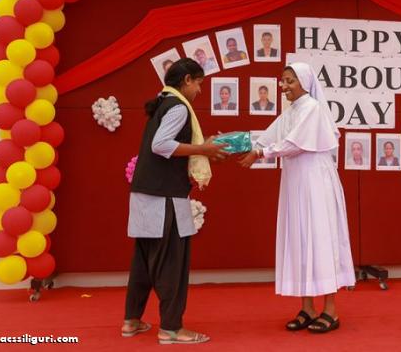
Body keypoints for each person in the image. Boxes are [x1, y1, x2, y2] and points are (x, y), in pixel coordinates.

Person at [238, 62, 355, 334]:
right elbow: (267, 137)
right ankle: (308, 308)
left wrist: (260, 153)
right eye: (283, 81)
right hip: (296, 184)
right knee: (301, 240)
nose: (284, 86)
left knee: (321, 240)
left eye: (290, 81)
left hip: (315, 183)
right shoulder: (291, 111)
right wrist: (239, 144)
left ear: (304, 81)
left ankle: (331, 310)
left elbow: (294, 144)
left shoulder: (312, 108)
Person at [123, 58, 228, 345]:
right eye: (199, 83)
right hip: (165, 196)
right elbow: (161, 145)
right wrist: (202, 148)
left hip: (146, 193)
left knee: (144, 262)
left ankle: (131, 320)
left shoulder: (164, 102)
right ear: (186, 81)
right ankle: (171, 328)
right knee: (172, 264)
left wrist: (202, 147)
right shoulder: (180, 107)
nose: (200, 90)